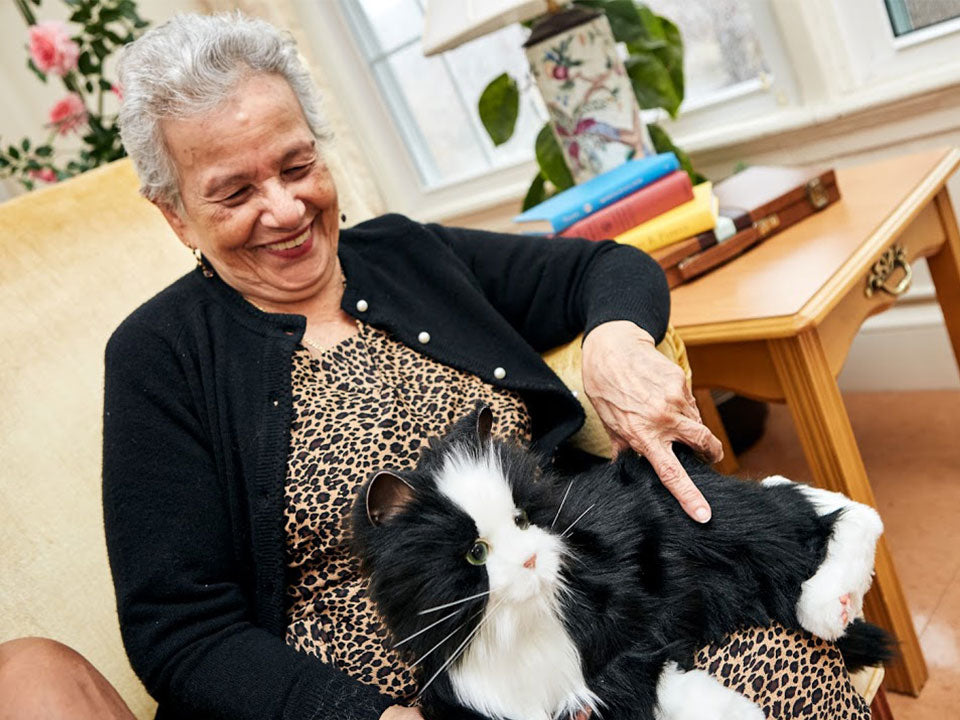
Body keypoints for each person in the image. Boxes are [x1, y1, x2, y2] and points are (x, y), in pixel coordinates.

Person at [0, 12, 871, 720]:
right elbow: (178, 629)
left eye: (299, 164)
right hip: (389, 697)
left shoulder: (404, 255)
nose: (285, 207)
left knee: (787, 657)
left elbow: (608, 269)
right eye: (234, 192)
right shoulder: (162, 356)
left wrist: (614, 339)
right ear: (177, 217)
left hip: (587, 617)